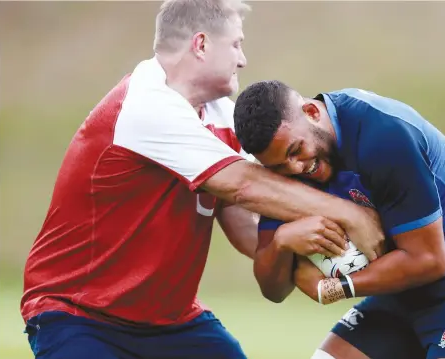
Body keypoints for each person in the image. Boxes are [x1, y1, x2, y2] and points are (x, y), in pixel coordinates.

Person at [20, 2, 386, 359]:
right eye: (236, 44)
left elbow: (248, 224)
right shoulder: (144, 104)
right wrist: (351, 215)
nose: (242, 59)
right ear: (201, 44)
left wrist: (307, 253)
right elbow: (243, 184)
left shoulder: (221, 116)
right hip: (79, 313)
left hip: (170, 321)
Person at [233, 80, 445, 359]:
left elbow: (429, 260)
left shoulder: (382, 135)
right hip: (401, 290)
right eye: (279, 166)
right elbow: (273, 290)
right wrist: (283, 243)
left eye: (296, 150)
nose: (296, 168)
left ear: (312, 112)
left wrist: (334, 288)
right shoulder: (283, 166)